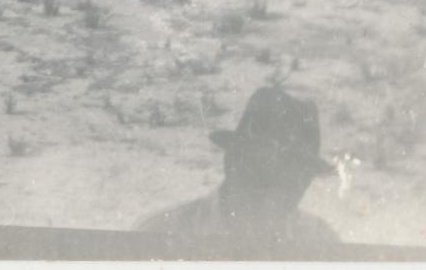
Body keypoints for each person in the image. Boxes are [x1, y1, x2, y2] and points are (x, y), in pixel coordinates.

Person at [137, 86, 340, 255]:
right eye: (265, 172)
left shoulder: (320, 241)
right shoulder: (163, 233)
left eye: (300, 175)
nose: (285, 190)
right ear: (232, 162)